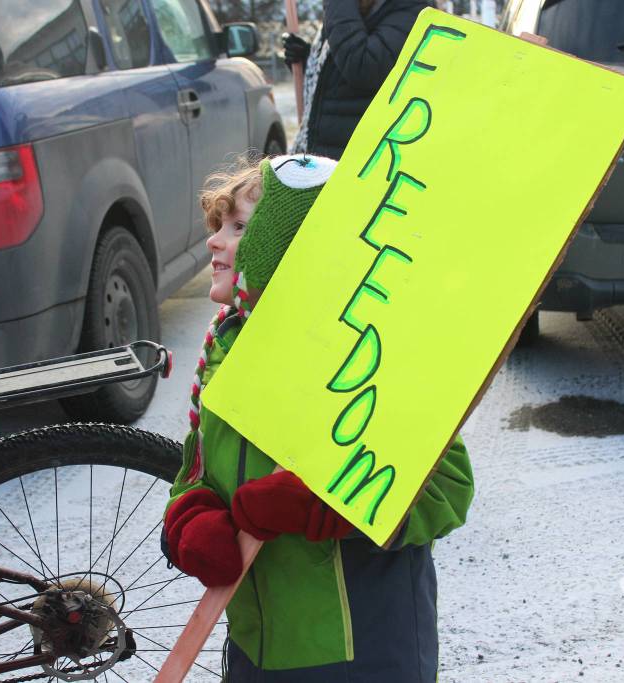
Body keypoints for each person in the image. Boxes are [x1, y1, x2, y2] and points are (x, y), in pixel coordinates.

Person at [161, 154, 474, 680]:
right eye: (220, 224)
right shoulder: (227, 344)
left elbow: (446, 487)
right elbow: (195, 469)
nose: (215, 240)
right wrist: (189, 518)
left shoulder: (360, 353)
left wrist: (317, 507)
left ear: (293, 249)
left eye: (239, 228)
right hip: (257, 644)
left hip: (362, 651)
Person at [284, 0, 434, 159]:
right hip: (326, 155)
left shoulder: (411, 8)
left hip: (359, 163)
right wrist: (307, 61)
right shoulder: (356, 7)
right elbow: (343, 78)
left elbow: (364, 68)